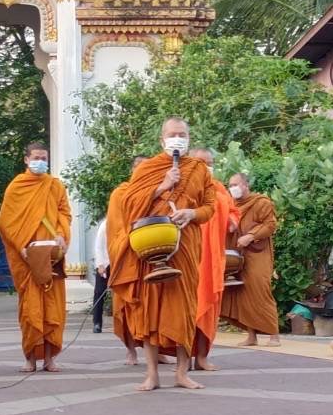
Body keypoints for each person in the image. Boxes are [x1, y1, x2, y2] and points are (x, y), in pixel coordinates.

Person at [108, 118, 216, 392]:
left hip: (185, 245)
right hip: (151, 246)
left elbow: (209, 206)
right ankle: (152, 374)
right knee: (150, 309)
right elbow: (129, 206)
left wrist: (191, 213)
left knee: (182, 308)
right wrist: (162, 186)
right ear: (161, 140)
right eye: (172, 135)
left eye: (182, 135)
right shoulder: (146, 168)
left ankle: (182, 372)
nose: (177, 139)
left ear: (189, 138)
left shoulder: (200, 170)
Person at [0, 143, 72, 373]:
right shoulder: (16, 187)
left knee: (53, 309)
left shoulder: (54, 185)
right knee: (31, 310)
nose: (40, 161)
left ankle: (50, 358)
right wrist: (21, 247)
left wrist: (61, 234)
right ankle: (30, 358)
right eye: (36, 157)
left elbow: (64, 212)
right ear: (26, 159)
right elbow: (5, 222)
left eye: (44, 157)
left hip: (51, 255)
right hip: (28, 258)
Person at [186, 149, 237, 372]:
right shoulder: (185, 187)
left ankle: (202, 357)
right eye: (202, 162)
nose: (207, 166)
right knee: (187, 309)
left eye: (210, 162)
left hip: (213, 259)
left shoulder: (219, 188)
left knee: (208, 311)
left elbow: (234, 211)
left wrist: (233, 220)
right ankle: (183, 359)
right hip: (190, 257)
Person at [220, 172, 280, 348]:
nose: (233, 188)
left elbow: (270, 224)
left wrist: (251, 236)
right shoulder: (230, 205)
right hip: (236, 255)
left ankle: (274, 335)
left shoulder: (261, 202)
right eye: (230, 185)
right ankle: (251, 336)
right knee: (242, 294)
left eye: (236, 184)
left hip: (257, 254)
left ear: (246, 185)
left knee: (260, 291)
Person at [102, 157, 149, 364]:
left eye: (146, 168)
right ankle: (131, 350)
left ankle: (155, 351)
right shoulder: (120, 194)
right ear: (131, 170)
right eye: (139, 167)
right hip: (126, 255)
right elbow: (115, 228)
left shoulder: (157, 193)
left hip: (149, 256)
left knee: (151, 307)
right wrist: (133, 235)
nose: (142, 172)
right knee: (126, 306)